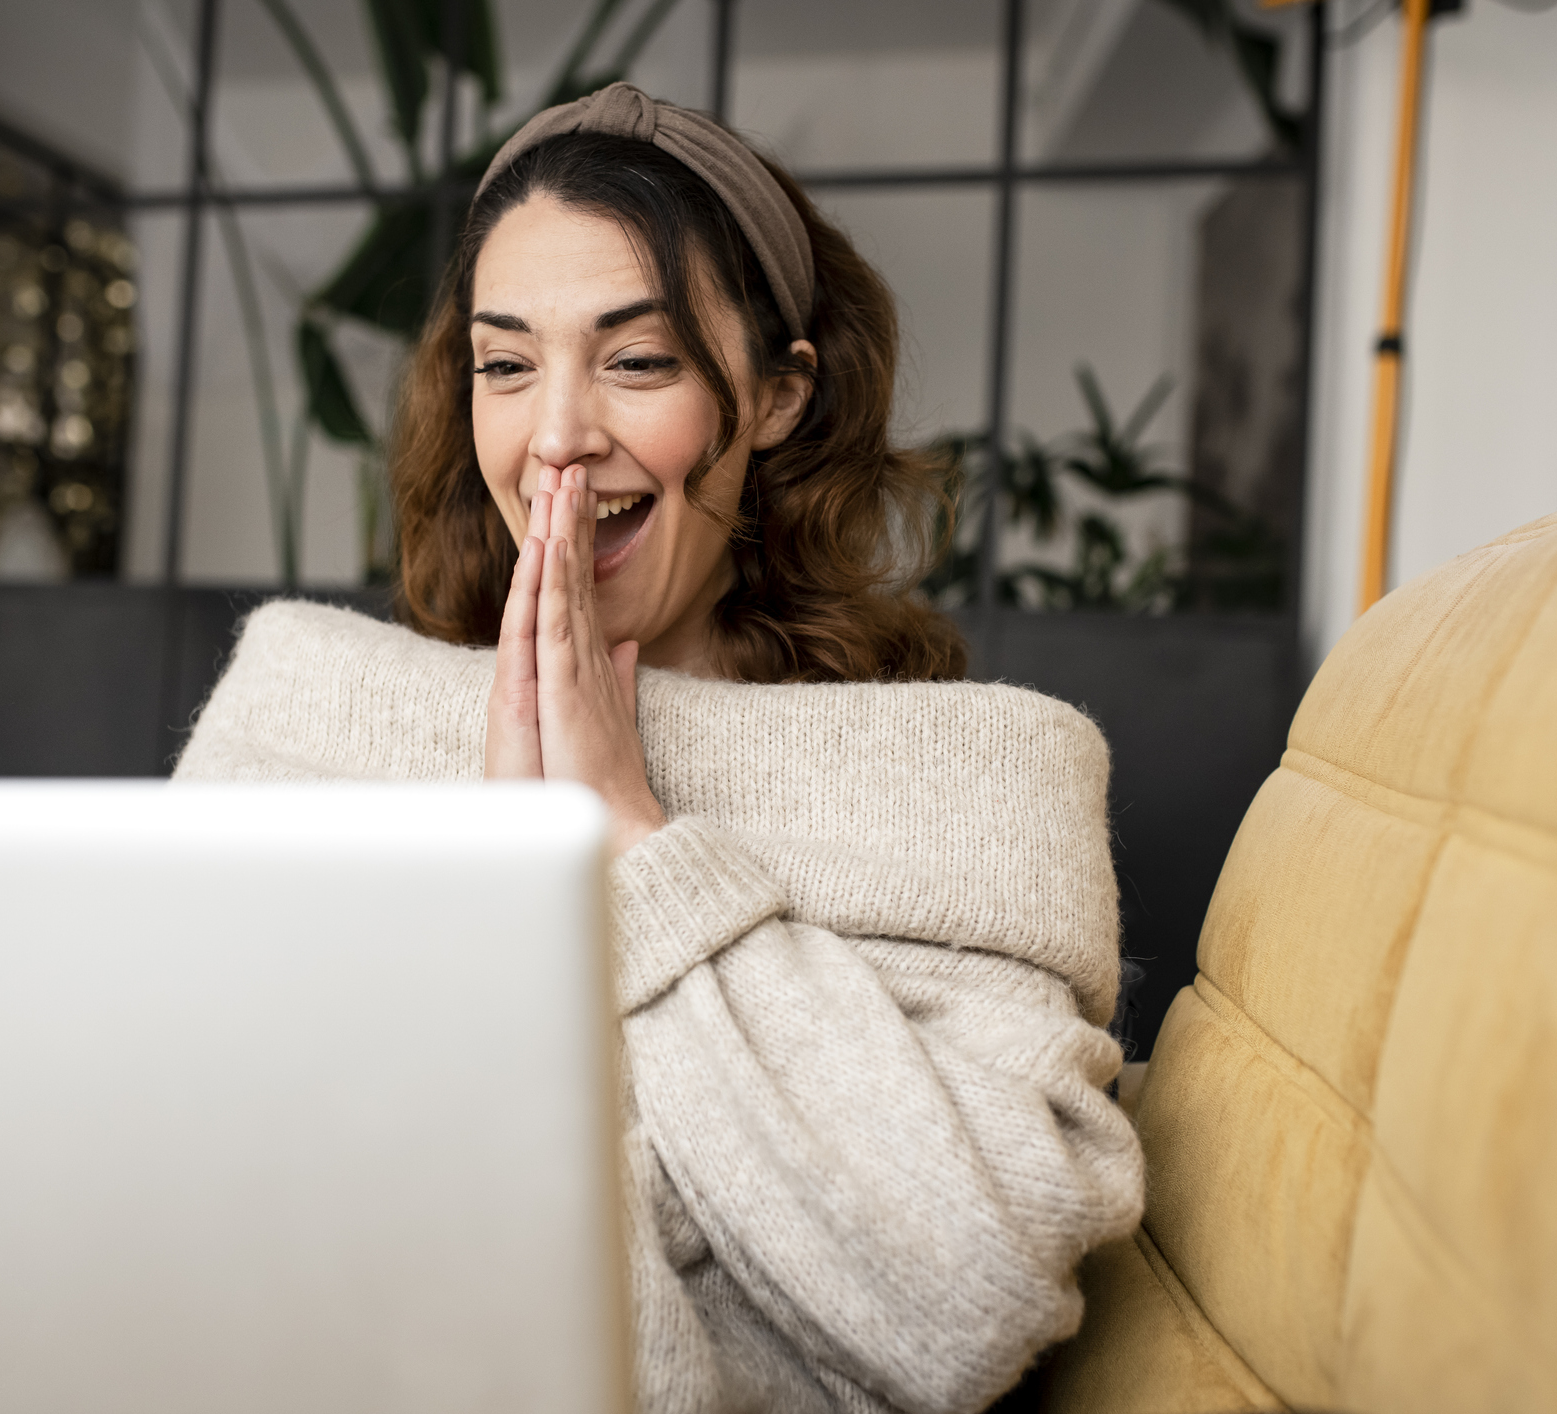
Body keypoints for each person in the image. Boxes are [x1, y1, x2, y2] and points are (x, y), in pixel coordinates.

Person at [177, 84, 1144, 1414]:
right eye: (505, 364)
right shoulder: (308, 704)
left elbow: (967, 1299)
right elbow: (159, 1174)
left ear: (775, 394)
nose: (558, 436)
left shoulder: (975, 785)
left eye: (637, 361)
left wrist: (630, 845)